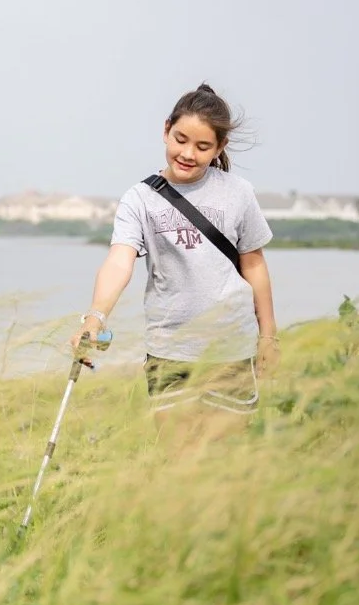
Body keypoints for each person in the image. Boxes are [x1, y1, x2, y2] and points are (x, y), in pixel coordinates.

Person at [69, 83, 279, 416]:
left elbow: (253, 264)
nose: (188, 154)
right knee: (177, 458)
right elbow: (119, 262)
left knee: (227, 458)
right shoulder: (139, 199)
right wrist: (96, 315)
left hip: (232, 350)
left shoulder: (237, 192)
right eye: (180, 140)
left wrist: (268, 336)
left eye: (202, 146)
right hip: (169, 350)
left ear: (219, 147)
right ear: (166, 130)